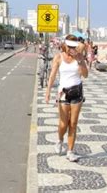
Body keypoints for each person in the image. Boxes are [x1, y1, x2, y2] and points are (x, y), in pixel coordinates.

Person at [45, 34, 88, 162]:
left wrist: (80, 60)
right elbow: (52, 76)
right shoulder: (58, 57)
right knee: (63, 123)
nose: (71, 49)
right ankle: (59, 140)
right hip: (63, 93)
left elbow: (85, 75)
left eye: (73, 47)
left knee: (73, 123)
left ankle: (70, 151)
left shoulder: (79, 58)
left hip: (77, 92)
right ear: (65, 45)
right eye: (69, 46)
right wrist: (48, 91)